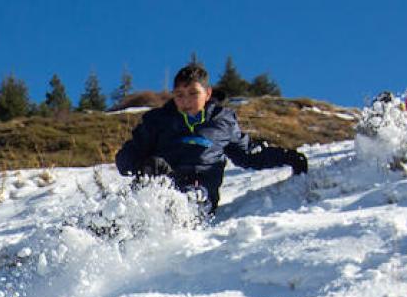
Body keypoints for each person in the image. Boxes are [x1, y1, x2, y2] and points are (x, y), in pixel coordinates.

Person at [114, 61, 308, 212]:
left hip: (198, 193)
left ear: (207, 93)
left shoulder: (222, 121)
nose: (186, 101)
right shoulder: (157, 120)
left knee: (187, 200)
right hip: (155, 188)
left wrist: (289, 157)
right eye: (179, 95)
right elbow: (125, 159)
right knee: (118, 211)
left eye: (193, 93)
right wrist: (145, 165)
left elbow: (249, 154)